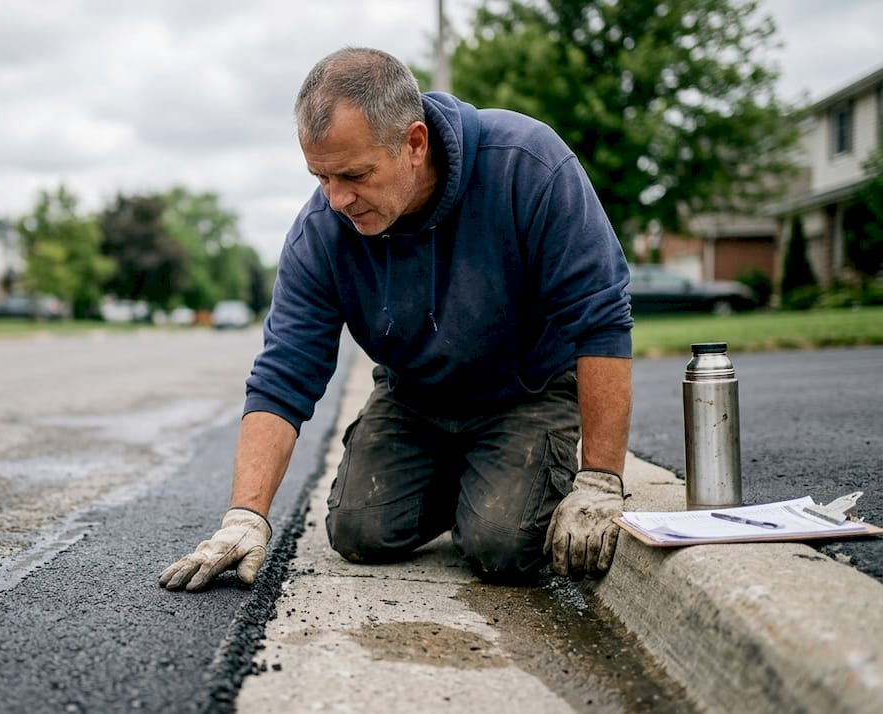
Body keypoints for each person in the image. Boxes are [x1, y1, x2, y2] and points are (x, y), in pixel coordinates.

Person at [159, 47, 632, 592]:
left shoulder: (527, 165)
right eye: (321, 177)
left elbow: (601, 319)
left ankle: (493, 487)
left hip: (525, 392)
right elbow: (285, 371)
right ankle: (473, 480)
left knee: (502, 546)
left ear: (414, 143)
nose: (337, 199)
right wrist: (245, 515)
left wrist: (599, 479)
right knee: (359, 531)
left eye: (354, 175)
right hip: (415, 399)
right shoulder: (322, 229)